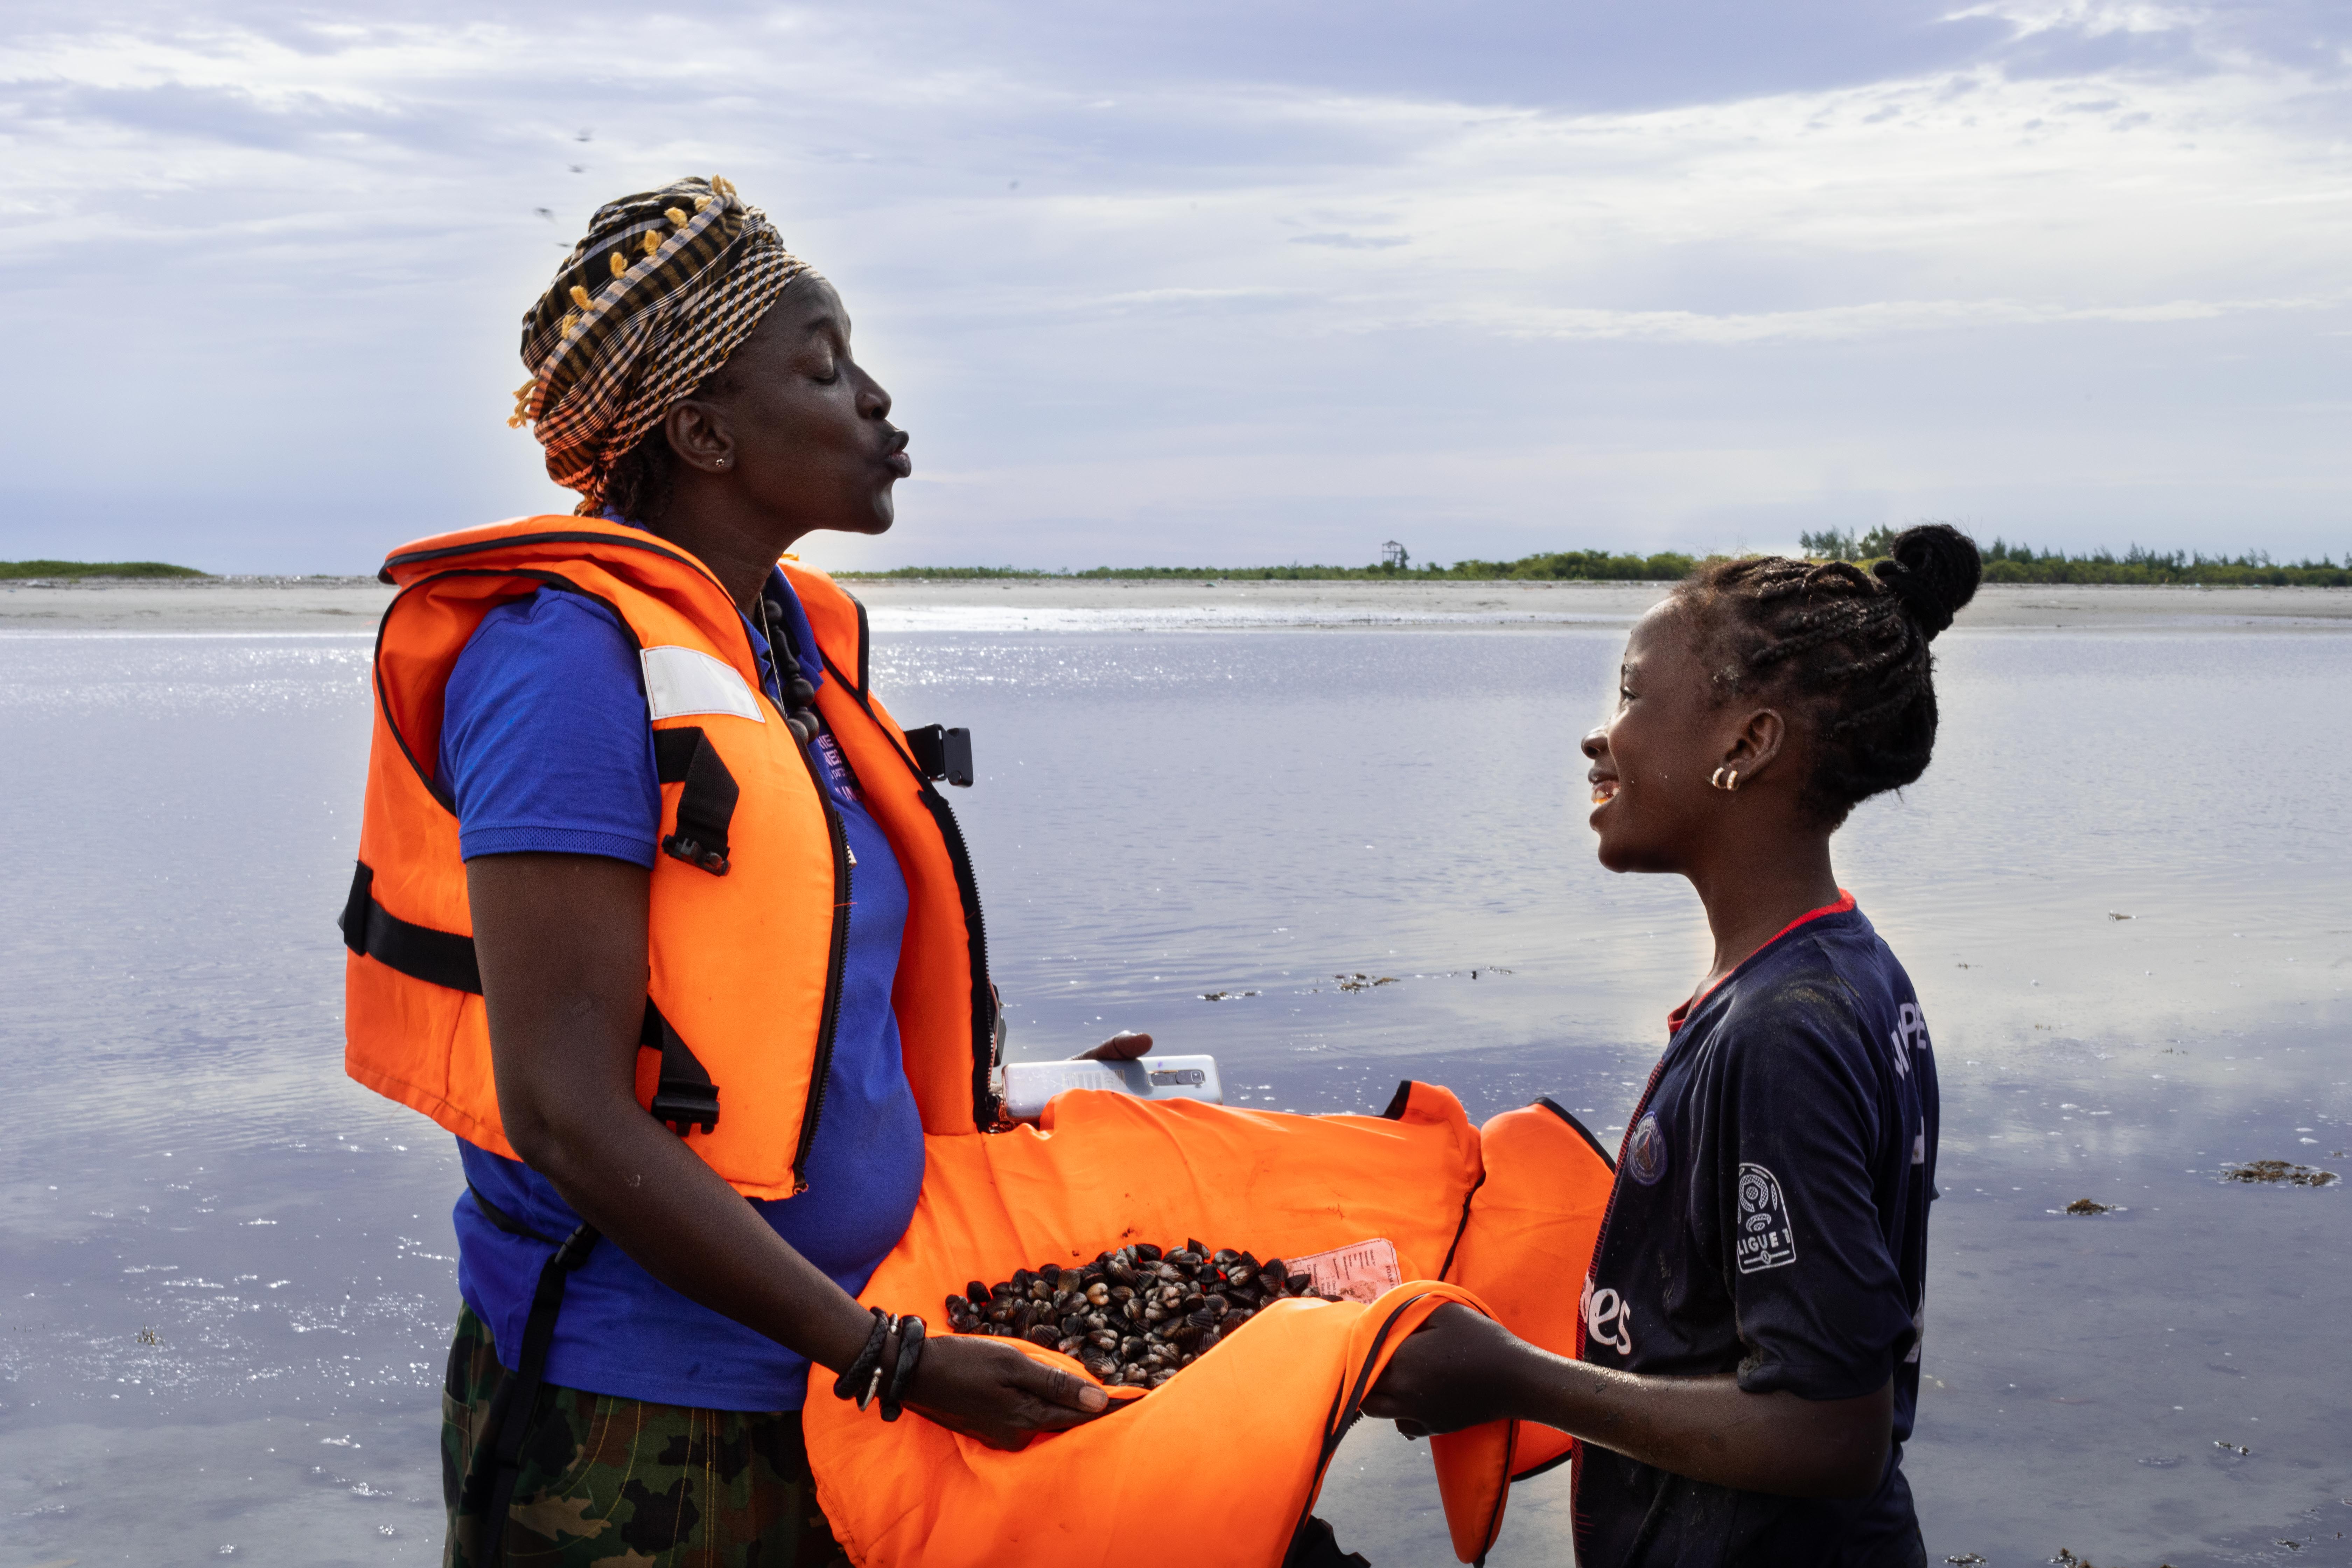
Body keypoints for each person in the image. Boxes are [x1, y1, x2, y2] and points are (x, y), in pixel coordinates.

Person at [337, 177, 1133, 1566]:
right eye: (824, 369)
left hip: (836, 1364)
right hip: (639, 1424)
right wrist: (885, 1358)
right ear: (704, 432)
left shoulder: (783, 651)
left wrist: (1038, 1086)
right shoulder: (561, 670)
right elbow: (567, 1109)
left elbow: (781, 998)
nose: (881, 402)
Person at [1366, 525, 1980, 1567]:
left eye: (1632, 696)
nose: (1598, 738)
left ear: (1747, 745)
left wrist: (1510, 1376)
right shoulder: (1838, 968)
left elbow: (1831, 1431)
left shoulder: (1789, 1030)